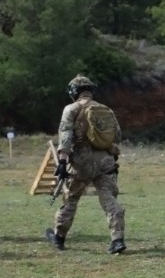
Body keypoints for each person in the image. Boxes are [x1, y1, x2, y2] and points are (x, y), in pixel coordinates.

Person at [44, 75, 126, 254]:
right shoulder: (105, 109)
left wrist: (63, 162)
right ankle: (117, 239)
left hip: (81, 161)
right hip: (105, 161)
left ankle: (59, 237)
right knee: (109, 199)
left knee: (71, 199)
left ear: (74, 92)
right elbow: (117, 136)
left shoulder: (71, 109)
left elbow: (65, 137)